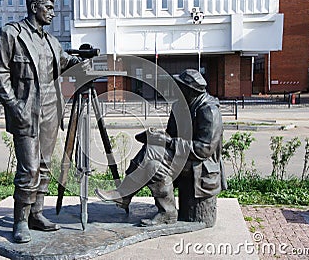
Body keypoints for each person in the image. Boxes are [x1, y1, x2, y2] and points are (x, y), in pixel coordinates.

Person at [0, 0, 81, 243]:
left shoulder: (51, 40)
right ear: (34, 7)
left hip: (52, 107)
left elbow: (63, 62)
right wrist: (14, 105)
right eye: (49, 8)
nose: (52, 12)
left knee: (44, 165)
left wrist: (80, 61)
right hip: (27, 108)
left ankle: (36, 214)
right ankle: (20, 220)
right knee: (29, 168)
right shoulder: (11, 34)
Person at [95, 69, 226, 226]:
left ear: (190, 91)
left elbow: (203, 150)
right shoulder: (180, 106)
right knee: (153, 163)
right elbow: (171, 135)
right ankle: (166, 212)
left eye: (180, 87)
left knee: (154, 159)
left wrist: (167, 142)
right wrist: (155, 136)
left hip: (201, 165)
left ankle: (125, 195)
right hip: (184, 156)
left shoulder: (208, 111)